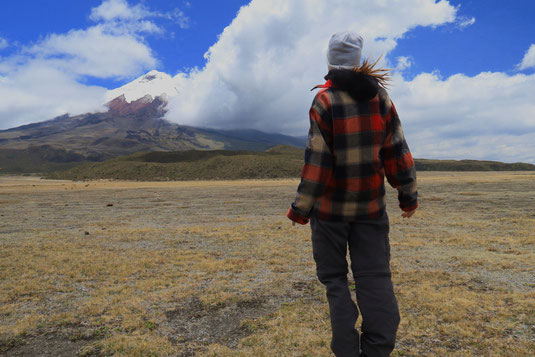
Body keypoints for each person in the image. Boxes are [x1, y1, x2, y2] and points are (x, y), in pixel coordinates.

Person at [287, 31, 418, 357]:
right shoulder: (381, 99)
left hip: (330, 214)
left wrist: (300, 208)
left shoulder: (325, 101)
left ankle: (346, 350)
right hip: (370, 211)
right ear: (359, 62)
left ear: (330, 61)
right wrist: (408, 195)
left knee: (335, 281)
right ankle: (377, 349)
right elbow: (397, 151)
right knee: (375, 277)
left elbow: (318, 162)